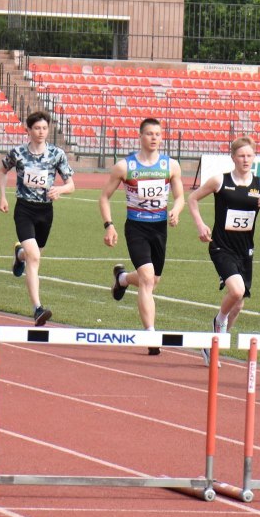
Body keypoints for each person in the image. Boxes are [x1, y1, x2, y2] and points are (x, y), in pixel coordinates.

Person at [99, 117, 185, 355]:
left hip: (159, 228)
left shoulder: (171, 166)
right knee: (147, 277)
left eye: (157, 134)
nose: (154, 138)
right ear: (140, 136)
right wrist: (109, 225)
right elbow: (104, 197)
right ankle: (150, 333)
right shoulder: (125, 167)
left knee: (153, 280)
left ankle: (123, 279)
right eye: (149, 133)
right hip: (136, 227)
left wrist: (176, 210)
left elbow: (179, 196)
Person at [187, 136, 260, 364]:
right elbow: (193, 199)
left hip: (245, 250)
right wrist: (201, 224)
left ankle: (213, 345)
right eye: (241, 155)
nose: (246, 160)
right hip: (220, 246)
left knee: (240, 304)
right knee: (235, 292)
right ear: (233, 157)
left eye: (249, 155)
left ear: (254, 157)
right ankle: (218, 321)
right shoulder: (219, 181)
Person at [0, 111, 75, 326]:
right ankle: (37, 308)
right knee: (35, 258)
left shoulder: (56, 154)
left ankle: (19, 254)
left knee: (33, 254)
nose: (41, 132)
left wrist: (60, 190)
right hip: (24, 209)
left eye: (44, 128)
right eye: (37, 128)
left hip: (45, 211)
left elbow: (71, 184)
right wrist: (3, 196)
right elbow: (2, 171)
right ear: (29, 130)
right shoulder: (18, 153)